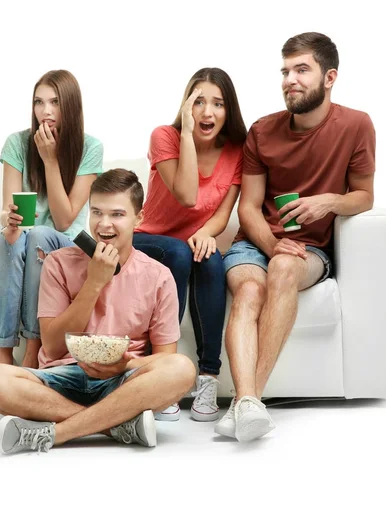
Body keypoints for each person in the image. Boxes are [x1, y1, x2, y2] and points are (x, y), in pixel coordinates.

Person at [219, 32, 375, 441]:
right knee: (250, 291)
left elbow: (364, 196)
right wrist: (269, 245)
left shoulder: (356, 125)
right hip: (254, 244)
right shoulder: (263, 131)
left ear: (329, 77)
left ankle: (244, 401)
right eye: (286, 71)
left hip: (310, 250)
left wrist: (326, 202)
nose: (290, 79)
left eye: (302, 69)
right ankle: (250, 403)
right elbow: (248, 208)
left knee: (286, 266)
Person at [0, 169, 196, 454]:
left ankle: (58, 432)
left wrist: (122, 367)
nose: (104, 224)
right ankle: (116, 426)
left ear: (138, 219)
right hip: (61, 376)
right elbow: (52, 348)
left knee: (182, 368)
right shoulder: (58, 263)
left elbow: (166, 358)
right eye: (96, 212)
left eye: (117, 214)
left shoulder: (159, 276)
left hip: (123, 382)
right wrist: (94, 282)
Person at [133, 68, 247, 422]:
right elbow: (185, 194)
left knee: (212, 261)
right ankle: (163, 376)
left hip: (193, 242)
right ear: (185, 106)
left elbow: (223, 213)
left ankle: (208, 376)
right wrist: (185, 132)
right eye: (198, 102)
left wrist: (208, 233)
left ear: (229, 112)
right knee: (180, 252)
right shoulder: (164, 137)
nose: (207, 113)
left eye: (218, 104)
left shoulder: (236, 152)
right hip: (148, 239)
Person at [0, 69, 103, 371]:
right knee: (10, 239)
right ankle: (2, 353)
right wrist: (9, 221)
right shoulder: (16, 143)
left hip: (67, 243)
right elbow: (6, 208)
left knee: (39, 234)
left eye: (54, 102)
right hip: (26, 239)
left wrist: (50, 160)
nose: (46, 111)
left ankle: (33, 349)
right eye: (39, 102)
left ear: (70, 106)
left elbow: (66, 220)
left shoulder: (90, 148)